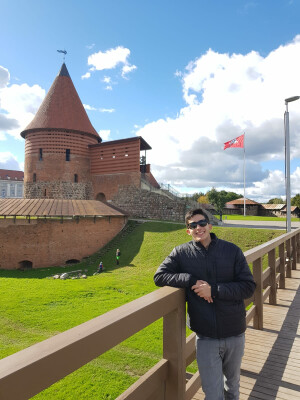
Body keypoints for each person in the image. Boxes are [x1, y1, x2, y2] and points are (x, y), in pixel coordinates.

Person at [154, 208, 256, 400]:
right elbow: (159, 276)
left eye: (202, 223)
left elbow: (248, 287)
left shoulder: (232, 251)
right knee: (213, 394)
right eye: (193, 225)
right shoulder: (181, 253)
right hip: (206, 337)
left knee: (232, 387)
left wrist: (214, 290)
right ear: (188, 231)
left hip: (235, 332)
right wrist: (190, 279)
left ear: (209, 225)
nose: (198, 228)